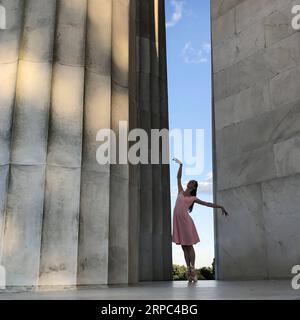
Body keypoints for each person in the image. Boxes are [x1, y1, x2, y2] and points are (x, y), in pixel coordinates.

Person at [172, 158, 229, 282]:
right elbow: (178, 178)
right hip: (177, 222)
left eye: (192, 182)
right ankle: (189, 270)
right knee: (183, 246)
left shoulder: (193, 198)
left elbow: (207, 203)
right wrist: (181, 165)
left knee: (189, 245)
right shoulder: (180, 191)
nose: (190, 182)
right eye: (190, 181)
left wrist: (220, 206)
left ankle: (193, 267)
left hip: (186, 222)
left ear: (194, 187)